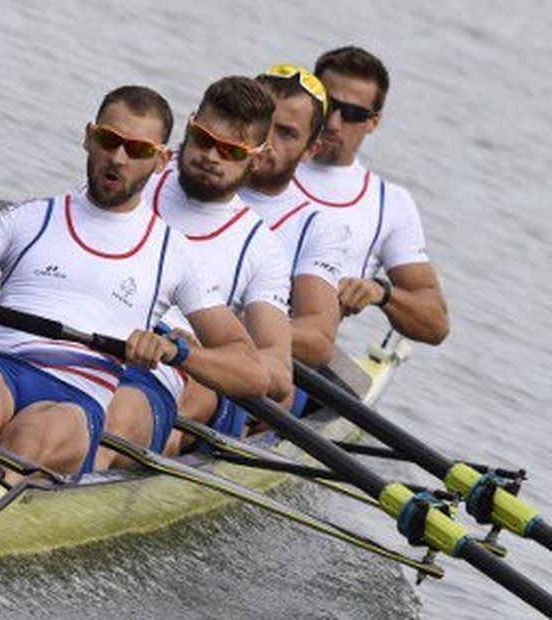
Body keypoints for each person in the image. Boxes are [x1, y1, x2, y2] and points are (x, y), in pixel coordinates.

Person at [0, 85, 269, 480]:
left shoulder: (173, 253)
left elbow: (253, 373)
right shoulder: (29, 217)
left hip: (76, 395)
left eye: (138, 150)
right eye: (109, 141)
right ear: (88, 137)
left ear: (161, 160)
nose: (118, 158)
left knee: (28, 443)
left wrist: (174, 352)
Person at [95, 76, 291, 468]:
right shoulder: (133, 175)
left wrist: (201, 354)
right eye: (203, 139)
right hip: (100, 333)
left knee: (164, 410)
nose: (212, 157)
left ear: (258, 156)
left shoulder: (260, 247)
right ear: (188, 125)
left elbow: (278, 373)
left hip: (182, 370)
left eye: (231, 151)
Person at [294, 46, 449, 344]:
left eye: (353, 113)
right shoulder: (262, 155)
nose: (334, 122)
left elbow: (436, 323)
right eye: (328, 104)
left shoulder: (388, 204)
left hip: (295, 353)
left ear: (373, 122)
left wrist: (381, 292)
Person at [242, 65, 346, 372]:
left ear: (310, 150)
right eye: (262, 123)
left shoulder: (314, 227)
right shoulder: (178, 173)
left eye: (286, 133)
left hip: (236, 355)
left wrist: (232, 323)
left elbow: (318, 340)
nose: (266, 140)